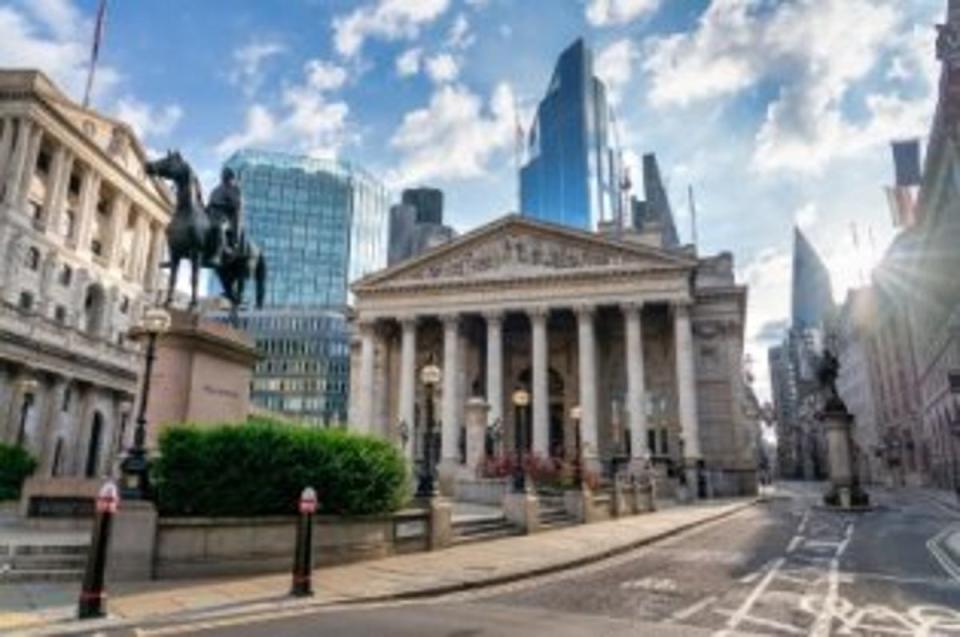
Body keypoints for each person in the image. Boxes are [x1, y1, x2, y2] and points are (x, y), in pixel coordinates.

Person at [206, 166, 243, 267]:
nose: (223, 176)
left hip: (226, 218)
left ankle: (217, 255)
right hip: (211, 215)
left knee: (219, 227)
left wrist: (219, 204)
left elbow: (236, 205)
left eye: (225, 175)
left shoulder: (234, 189)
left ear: (230, 177)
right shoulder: (216, 190)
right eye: (222, 174)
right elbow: (209, 204)